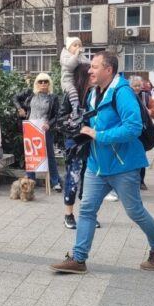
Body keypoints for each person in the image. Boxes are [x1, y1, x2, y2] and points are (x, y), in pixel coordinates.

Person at [50, 52, 154, 274]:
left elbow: (133, 127)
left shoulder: (122, 92)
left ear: (108, 70)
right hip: (97, 164)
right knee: (86, 209)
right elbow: (92, 121)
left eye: (95, 67)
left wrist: (99, 135)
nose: (90, 71)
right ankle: (78, 259)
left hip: (123, 165)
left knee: (135, 211)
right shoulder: (95, 92)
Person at [13, 72, 62, 192]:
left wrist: (49, 124)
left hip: (44, 129)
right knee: (31, 155)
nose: (43, 84)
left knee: (49, 155)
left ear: (49, 83)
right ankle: (30, 180)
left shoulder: (53, 97)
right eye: (40, 81)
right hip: (31, 128)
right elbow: (15, 98)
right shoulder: (30, 94)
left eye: (46, 81)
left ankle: (55, 182)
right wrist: (20, 108)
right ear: (37, 83)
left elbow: (58, 115)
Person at [60, 64, 94, 229]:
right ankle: (68, 214)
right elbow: (59, 120)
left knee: (90, 180)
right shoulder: (71, 95)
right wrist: (77, 121)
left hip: (92, 142)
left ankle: (87, 216)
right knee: (73, 178)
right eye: (90, 74)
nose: (93, 76)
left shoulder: (95, 94)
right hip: (74, 142)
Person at [131, 76, 154, 190]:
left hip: (143, 132)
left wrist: (149, 111)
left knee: (141, 156)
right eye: (134, 86)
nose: (137, 88)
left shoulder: (146, 96)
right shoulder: (127, 97)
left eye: (138, 86)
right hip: (131, 131)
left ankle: (141, 181)